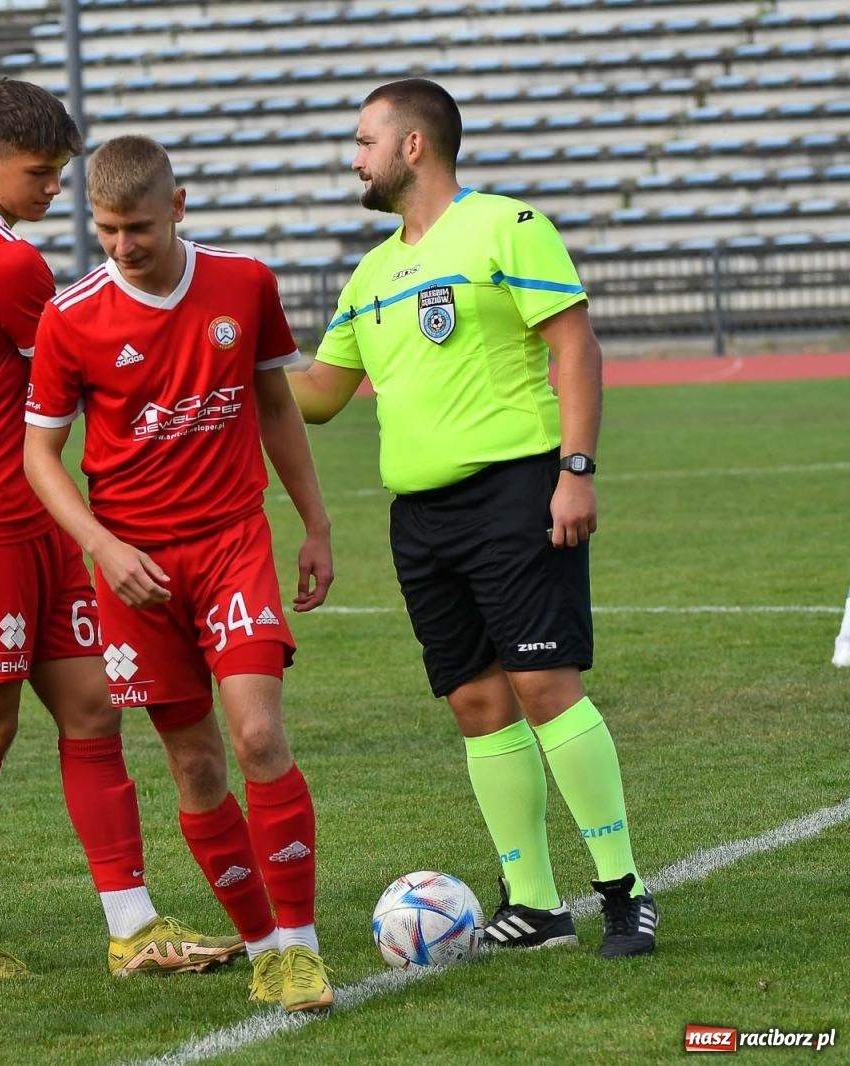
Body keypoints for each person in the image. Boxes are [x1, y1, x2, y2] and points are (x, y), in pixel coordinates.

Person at [0, 78, 239, 980]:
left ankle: (132, 926)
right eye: (39, 173)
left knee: (92, 707)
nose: (52, 189)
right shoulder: (8, 266)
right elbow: (95, 367)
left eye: (60, 173)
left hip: (31, 516)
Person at [289, 78, 658, 958]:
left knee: (544, 685)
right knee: (477, 700)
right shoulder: (370, 274)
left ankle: (625, 892)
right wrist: (228, 358)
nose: (355, 158)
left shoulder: (506, 226)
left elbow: (575, 346)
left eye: (366, 140)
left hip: (517, 492)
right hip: (420, 518)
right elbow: (321, 395)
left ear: (413, 145)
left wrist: (575, 470)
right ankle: (534, 905)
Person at [23, 134, 337, 1014]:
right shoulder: (70, 317)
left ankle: (303, 947)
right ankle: (264, 947)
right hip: (137, 572)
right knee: (197, 768)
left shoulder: (244, 284)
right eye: (107, 229)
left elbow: (276, 406)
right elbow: (40, 455)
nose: (123, 246)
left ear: (179, 206)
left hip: (233, 543)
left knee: (259, 738)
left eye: (139, 228)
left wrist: (315, 522)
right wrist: (103, 548)